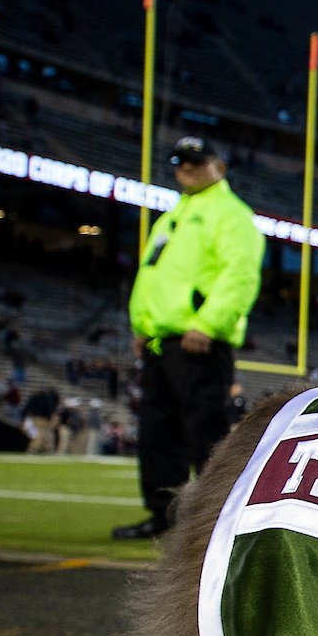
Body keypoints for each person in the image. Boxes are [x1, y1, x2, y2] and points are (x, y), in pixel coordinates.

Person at [113, 137, 265, 539]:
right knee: (156, 432)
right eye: (179, 162)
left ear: (219, 167)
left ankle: (219, 520)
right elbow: (154, 276)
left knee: (206, 432)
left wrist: (209, 323)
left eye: (195, 162)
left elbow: (239, 275)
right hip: (163, 342)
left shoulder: (231, 215)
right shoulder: (173, 216)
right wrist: (143, 326)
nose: (185, 169)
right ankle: (165, 518)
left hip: (198, 341)